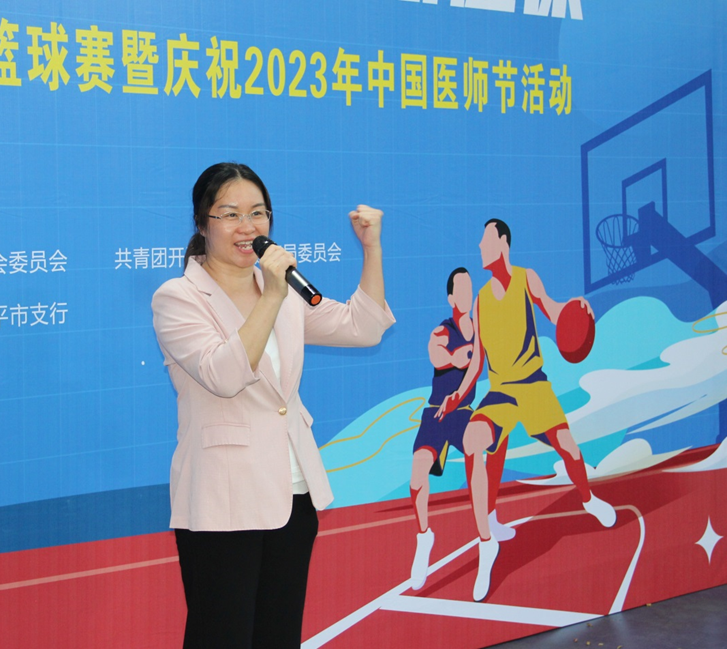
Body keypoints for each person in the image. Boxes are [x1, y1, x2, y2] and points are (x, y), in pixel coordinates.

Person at [151, 162, 394, 649]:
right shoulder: (179, 298)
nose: (248, 227)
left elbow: (362, 328)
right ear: (202, 223)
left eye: (258, 213)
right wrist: (272, 295)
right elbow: (224, 375)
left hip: (291, 491)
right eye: (230, 214)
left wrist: (371, 249)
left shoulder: (280, 292)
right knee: (221, 637)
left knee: (279, 636)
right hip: (223, 502)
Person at [440, 218, 616, 602]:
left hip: (534, 385)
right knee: (473, 441)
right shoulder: (481, 300)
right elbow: (477, 361)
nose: (480, 245)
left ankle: (588, 499)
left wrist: (575, 308)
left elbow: (553, 310)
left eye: (486, 238)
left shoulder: (526, 278)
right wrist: (458, 395)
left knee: (570, 448)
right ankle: (487, 540)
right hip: (501, 392)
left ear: (503, 242)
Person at [408, 268, 515, 590]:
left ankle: (486, 537)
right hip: (436, 413)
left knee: (481, 450)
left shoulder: (482, 330)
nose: (467, 294)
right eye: (461, 289)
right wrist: (456, 357)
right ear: (451, 298)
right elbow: (438, 354)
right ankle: (424, 537)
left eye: (470, 288)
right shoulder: (442, 331)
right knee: (418, 473)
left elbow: (487, 356)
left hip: (463, 413)